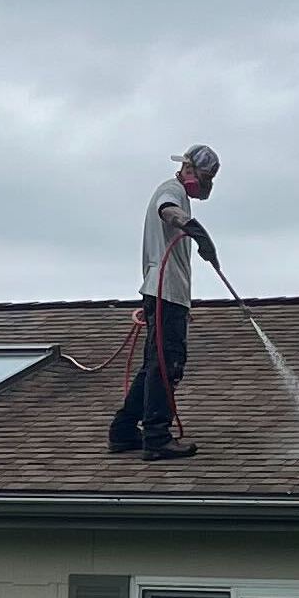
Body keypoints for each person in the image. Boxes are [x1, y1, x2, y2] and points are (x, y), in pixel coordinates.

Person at [109, 145, 220, 461]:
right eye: (204, 177)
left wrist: (184, 306)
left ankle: (123, 431)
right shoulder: (171, 191)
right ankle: (157, 438)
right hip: (164, 292)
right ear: (188, 169)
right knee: (167, 365)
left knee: (153, 365)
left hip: (168, 296)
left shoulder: (181, 194)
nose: (206, 185)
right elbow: (168, 210)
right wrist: (194, 229)